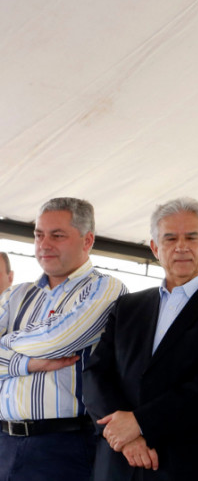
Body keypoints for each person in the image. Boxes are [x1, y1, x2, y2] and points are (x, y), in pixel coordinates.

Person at [82, 197, 198, 481]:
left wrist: (139, 423)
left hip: (189, 465)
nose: (181, 247)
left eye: (192, 237)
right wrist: (127, 438)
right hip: (119, 463)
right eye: (170, 238)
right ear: (155, 248)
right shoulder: (128, 307)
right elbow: (96, 374)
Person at [0, 197, 128, 481]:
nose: (44, 244)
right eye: (38, 235)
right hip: (4, 442)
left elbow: (55, 340)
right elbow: (46, 343)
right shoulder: (17, 294)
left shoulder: (105, 288)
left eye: (57, 235)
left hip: (63, 446)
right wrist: (29, 364)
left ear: (87, 240)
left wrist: (6, 344)